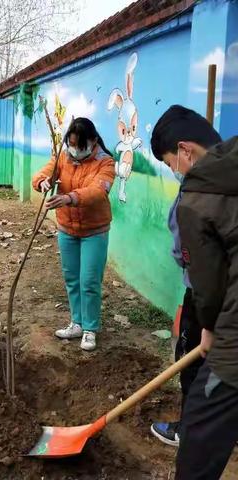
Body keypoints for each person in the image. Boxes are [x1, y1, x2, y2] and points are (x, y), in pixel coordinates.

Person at [151, 104, 238, 479]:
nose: (174, 170)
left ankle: (189, 433)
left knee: (199, 437)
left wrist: (209, 327)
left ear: (186, 150)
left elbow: (210, 283)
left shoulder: (197, 198)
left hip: (230, 325)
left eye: (171, 161)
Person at [32, 117, 115, 351]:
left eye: (80, 146)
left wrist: (69, 197)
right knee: (71, 278)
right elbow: (44, 173)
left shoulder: (106, 163)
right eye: (72, 144)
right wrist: (42, 183)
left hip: (94, 231)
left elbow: (98, 192)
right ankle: (76, 322)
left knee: (89, 281)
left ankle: (90, 328)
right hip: (67, 229)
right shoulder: (64, 156)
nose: (75, 151)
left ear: (93, 140)